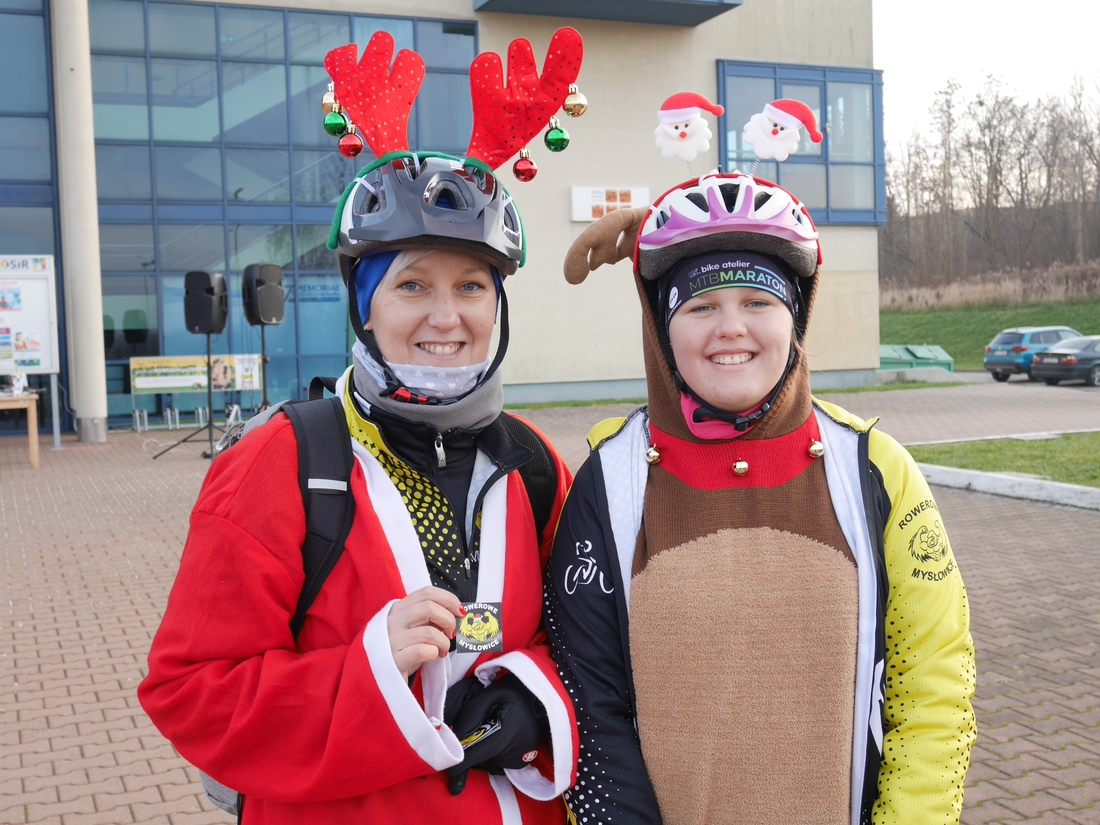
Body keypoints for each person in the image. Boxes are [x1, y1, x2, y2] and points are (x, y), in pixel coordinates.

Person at [138, 53, 582, 821]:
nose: (446, 316)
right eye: (412, 284)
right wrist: (373, 669)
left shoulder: (534, 463)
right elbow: (189, 690)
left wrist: (539, 697)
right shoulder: (282, 460)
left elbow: (587, 646)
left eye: (471, 286)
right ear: (364, 306)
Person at [544, 169, 976, 825]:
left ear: (795, 316)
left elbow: (934, 686)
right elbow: (588, 706)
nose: (731, 328)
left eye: (757, 301)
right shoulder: (610, 480)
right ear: (662, 327)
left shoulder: (874, 469)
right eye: (700, 306)